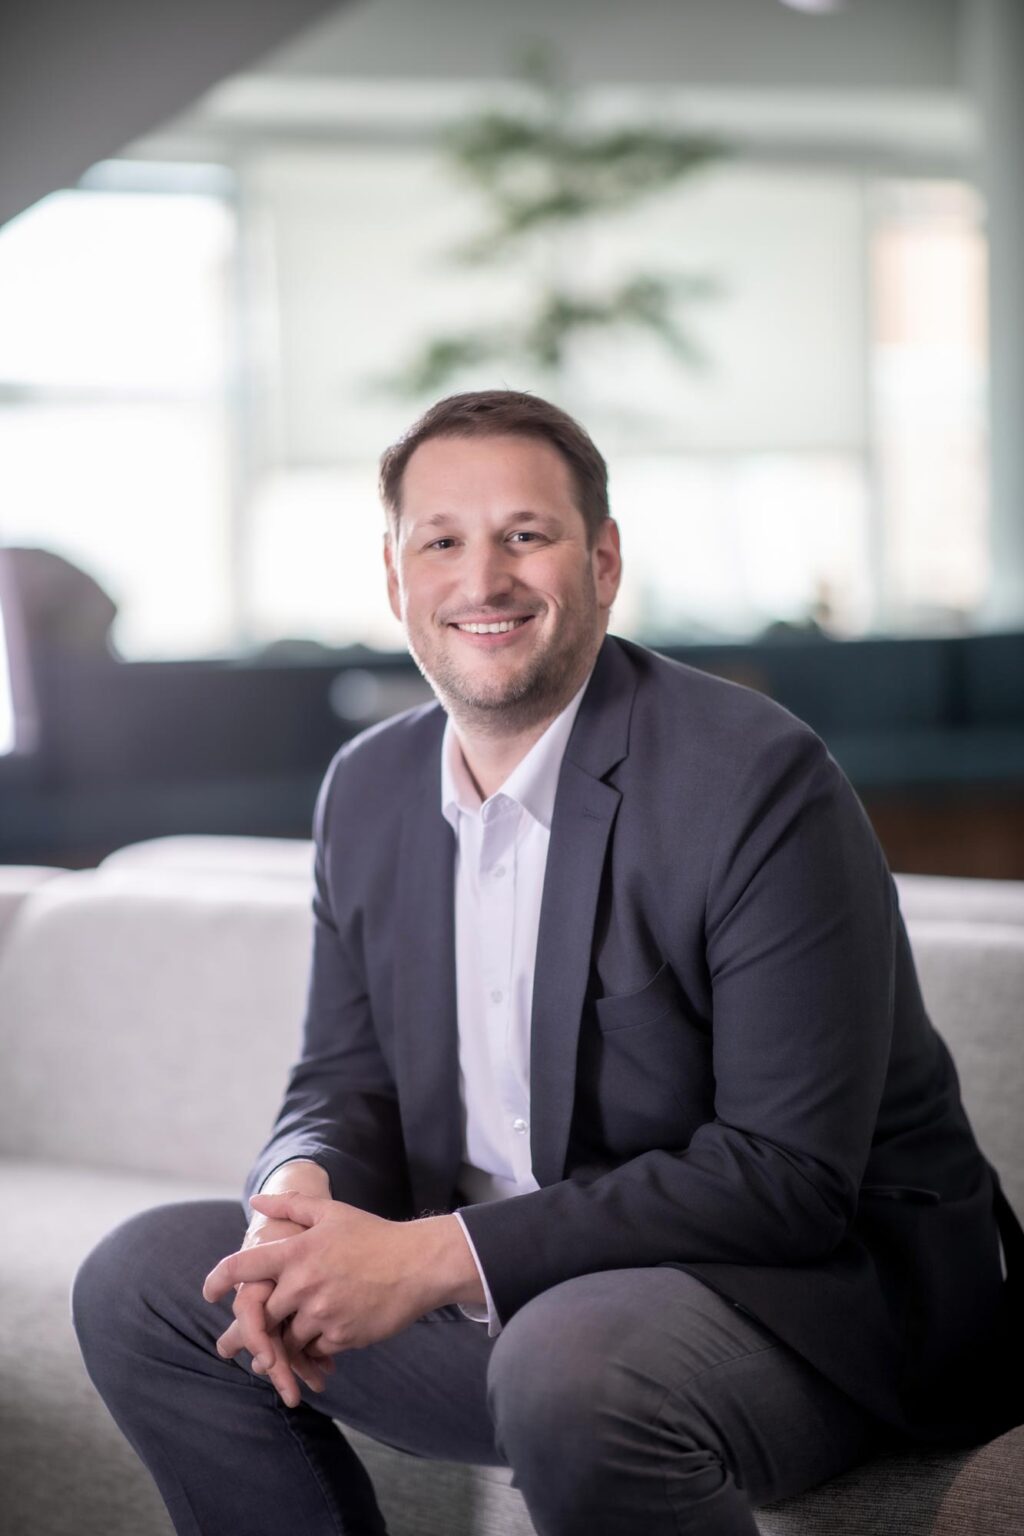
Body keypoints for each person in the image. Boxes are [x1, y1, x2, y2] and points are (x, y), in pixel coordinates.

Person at [73, 390, 1021, 1536]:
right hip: (523, 1307)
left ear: (604, 561)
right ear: (394, 578)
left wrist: (436, 1258)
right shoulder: (368, 788)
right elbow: (340, 1079)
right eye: (443, 542)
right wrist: (297, 1194)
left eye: (526, 535)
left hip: (802, 1313)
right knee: (146, 1284)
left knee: (566, 1365)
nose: (484, 581)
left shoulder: (756, 780)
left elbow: (784, 1180)